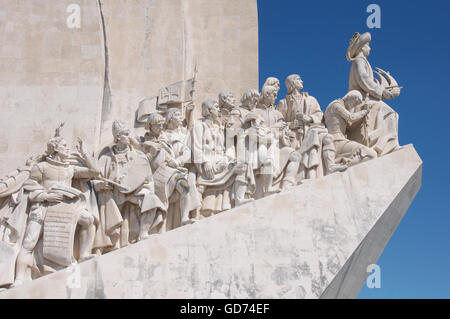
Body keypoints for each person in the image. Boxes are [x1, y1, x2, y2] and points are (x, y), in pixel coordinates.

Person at [14, 133, 100, 286]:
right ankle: (19, 278)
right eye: (64, 146)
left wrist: (84, 152)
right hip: (44, 206)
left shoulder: (70, 169)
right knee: (29, 242)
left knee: (89, 220)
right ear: (55, 148)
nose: (67, 149)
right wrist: (45, 196)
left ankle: (84, 254)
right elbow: (29, 187)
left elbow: (94, 171)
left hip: (66, 206)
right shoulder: (42, 167)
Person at [94, 120, 165, 251]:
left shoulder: (138, 155)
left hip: (135, 191)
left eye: (128, 133)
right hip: (114, 193)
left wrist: (142, 186)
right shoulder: (106, 158)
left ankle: (143, 232)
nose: (129, 137)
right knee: (109, 205)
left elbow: (148, 178)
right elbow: (95, 179)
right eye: (125, 134)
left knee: (152, 199)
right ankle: (112, 242)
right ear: (117, 137)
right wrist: (101, 185)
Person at [346, 32, 401, 156]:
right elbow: (364, 80)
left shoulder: (363, 61)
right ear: (362, 47)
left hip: (368, 99)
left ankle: (388, 144)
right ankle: (386, 146)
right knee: (388, 112)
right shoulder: (359, 61)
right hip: (361, 102)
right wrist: (383, 92)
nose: (369, 48)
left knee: (391, 113)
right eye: (368, 45)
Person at [324, 90, 378, 166]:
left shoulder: (340, 106)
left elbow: (350, 124)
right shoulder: (336, 105)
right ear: (352, 98)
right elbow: (351, 117)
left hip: (341, 141)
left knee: (371, 154)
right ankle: (344, 166)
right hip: (337, 141)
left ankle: (344, 164)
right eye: (356, 103)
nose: (354, 106)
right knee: (370, 154)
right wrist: (365, 111)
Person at [277, 74, 323, 145]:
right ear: (292, 83)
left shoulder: (311, 100)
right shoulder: (283, 102)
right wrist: (290, 124)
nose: (302, 81)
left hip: (308, 133)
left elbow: (319, 114)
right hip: (291, 137)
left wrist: (310, 118)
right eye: (298, 79)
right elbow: (278, 123)